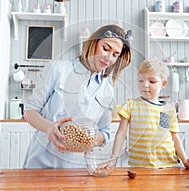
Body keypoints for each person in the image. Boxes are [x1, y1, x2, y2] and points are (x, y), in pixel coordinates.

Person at [23, 24, 132, 169]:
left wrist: (91, 139)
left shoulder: (107, 90)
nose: (108, 57)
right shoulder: (58, 70)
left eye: (115, 55)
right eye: (106, 48)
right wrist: (49, 127)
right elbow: (30, 112)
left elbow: (105, 133)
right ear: (93, 43)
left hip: (78, 170)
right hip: (41, 164)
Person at [111, 58, 189, 169]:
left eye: (152, 81)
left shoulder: (168, 110)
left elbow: (174, 138)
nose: (145, 85)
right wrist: (113, 160)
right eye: (141, 81)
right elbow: (121, 134)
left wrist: (185, 160)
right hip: (140, 167)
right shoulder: (131, 105)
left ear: (163, 83)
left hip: (169, 165)